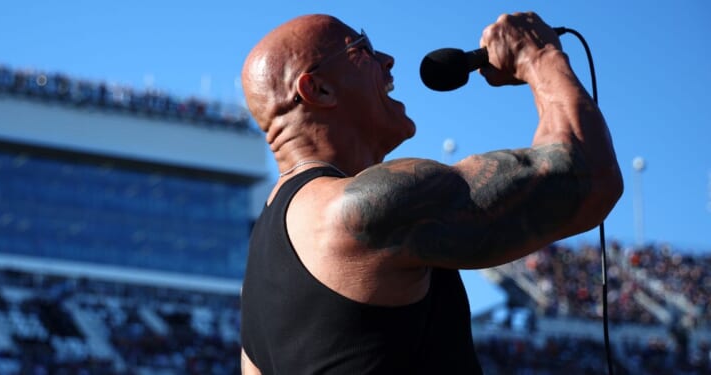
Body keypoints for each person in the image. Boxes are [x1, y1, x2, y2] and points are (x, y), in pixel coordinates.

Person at [239, 11, 623, 374]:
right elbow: (587, 175)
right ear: (318, 88)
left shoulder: (257, 282)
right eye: (362, 48)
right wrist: (538, 55)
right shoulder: (357, 208)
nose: (387, 60)